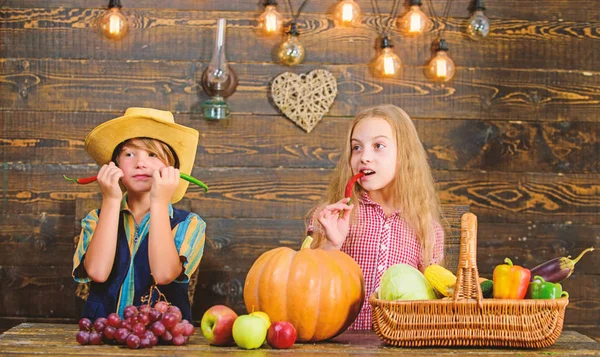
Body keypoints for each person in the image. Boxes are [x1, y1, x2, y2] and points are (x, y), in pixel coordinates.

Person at [307, 104, 445, 330]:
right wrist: (332, 245)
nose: (365, 157)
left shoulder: (427, 229)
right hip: (338, 347)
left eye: (378, 146)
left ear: (405, 155)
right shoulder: (332, 217)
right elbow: (305, 290)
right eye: (356, 148)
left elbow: (430, 306)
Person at [72, 107, 205, 323]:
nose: (140, 163)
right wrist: (111, 200)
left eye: (152, 154)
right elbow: (97, 272)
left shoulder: (190, 224)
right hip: (104, 336)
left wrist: (160, 202)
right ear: (115, 165)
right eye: (129, 154)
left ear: (171, 168)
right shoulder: (95, 219)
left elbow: (164, 275)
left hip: (163, 341)